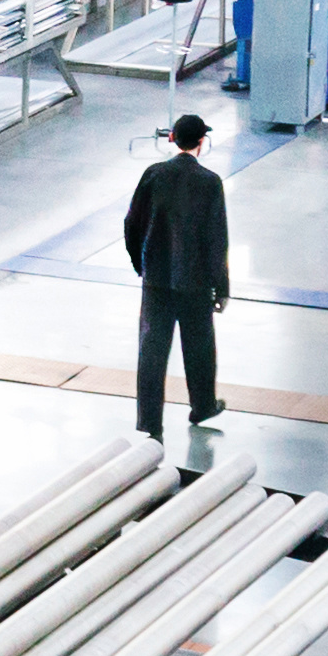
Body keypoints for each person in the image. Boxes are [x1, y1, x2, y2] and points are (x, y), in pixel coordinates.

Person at [123, 112, 232, 458]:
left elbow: (131, 223)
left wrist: (141, 264)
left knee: (152, 349)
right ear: (202, 142)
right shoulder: (210, 182)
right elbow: (217, 240)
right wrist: (222, 286)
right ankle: (202, 406)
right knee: (199, 346)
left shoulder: (153, 174)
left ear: (172, 139)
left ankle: (149, 420)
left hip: (157, 278)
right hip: (196, 282)